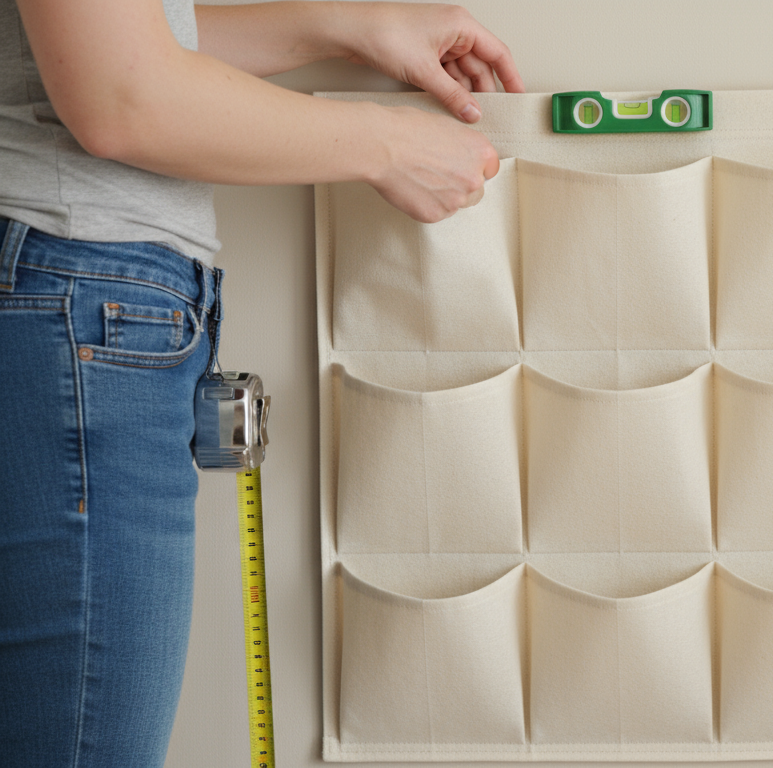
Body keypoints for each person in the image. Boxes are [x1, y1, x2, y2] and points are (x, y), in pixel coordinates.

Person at [0, 0, 523, 764]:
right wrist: (388, 144)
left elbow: (126, 43)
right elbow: (122, 97)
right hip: (79, 302)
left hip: (72, 306)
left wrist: (337, 28)